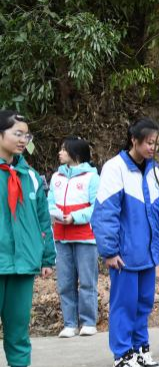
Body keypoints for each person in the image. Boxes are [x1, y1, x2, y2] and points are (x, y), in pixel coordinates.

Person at [92, 118, 159, 367]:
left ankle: (139, 348)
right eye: (149, 142)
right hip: (124, 255)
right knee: (123, 304)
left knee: (144, 303)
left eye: (156, 144)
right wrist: (110, 251)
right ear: (133, 140)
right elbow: (106, 213)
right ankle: (121, 356)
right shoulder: (115, 168)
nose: (152, 147)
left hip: (147, 252)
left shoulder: (154, 170)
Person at [0, 111, 55, 367]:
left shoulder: (31, 177)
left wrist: (46, 257)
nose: (23, 140)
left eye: (26, 135)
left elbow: (43, 220)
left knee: (19, 321)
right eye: (17, 133)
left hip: (23, 261)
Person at [48, 136, 100, 338]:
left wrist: (75, 217)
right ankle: (69, 323)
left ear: (75, 154)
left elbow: (97, 207)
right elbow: (49, 201)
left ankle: (88, 322)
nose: (60, 153)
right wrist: (55, 214)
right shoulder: (56, 177)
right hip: (61, 237)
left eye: (63, 149)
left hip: (85, 236)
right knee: (65, 283)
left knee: (87, 281)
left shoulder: (92, 177)